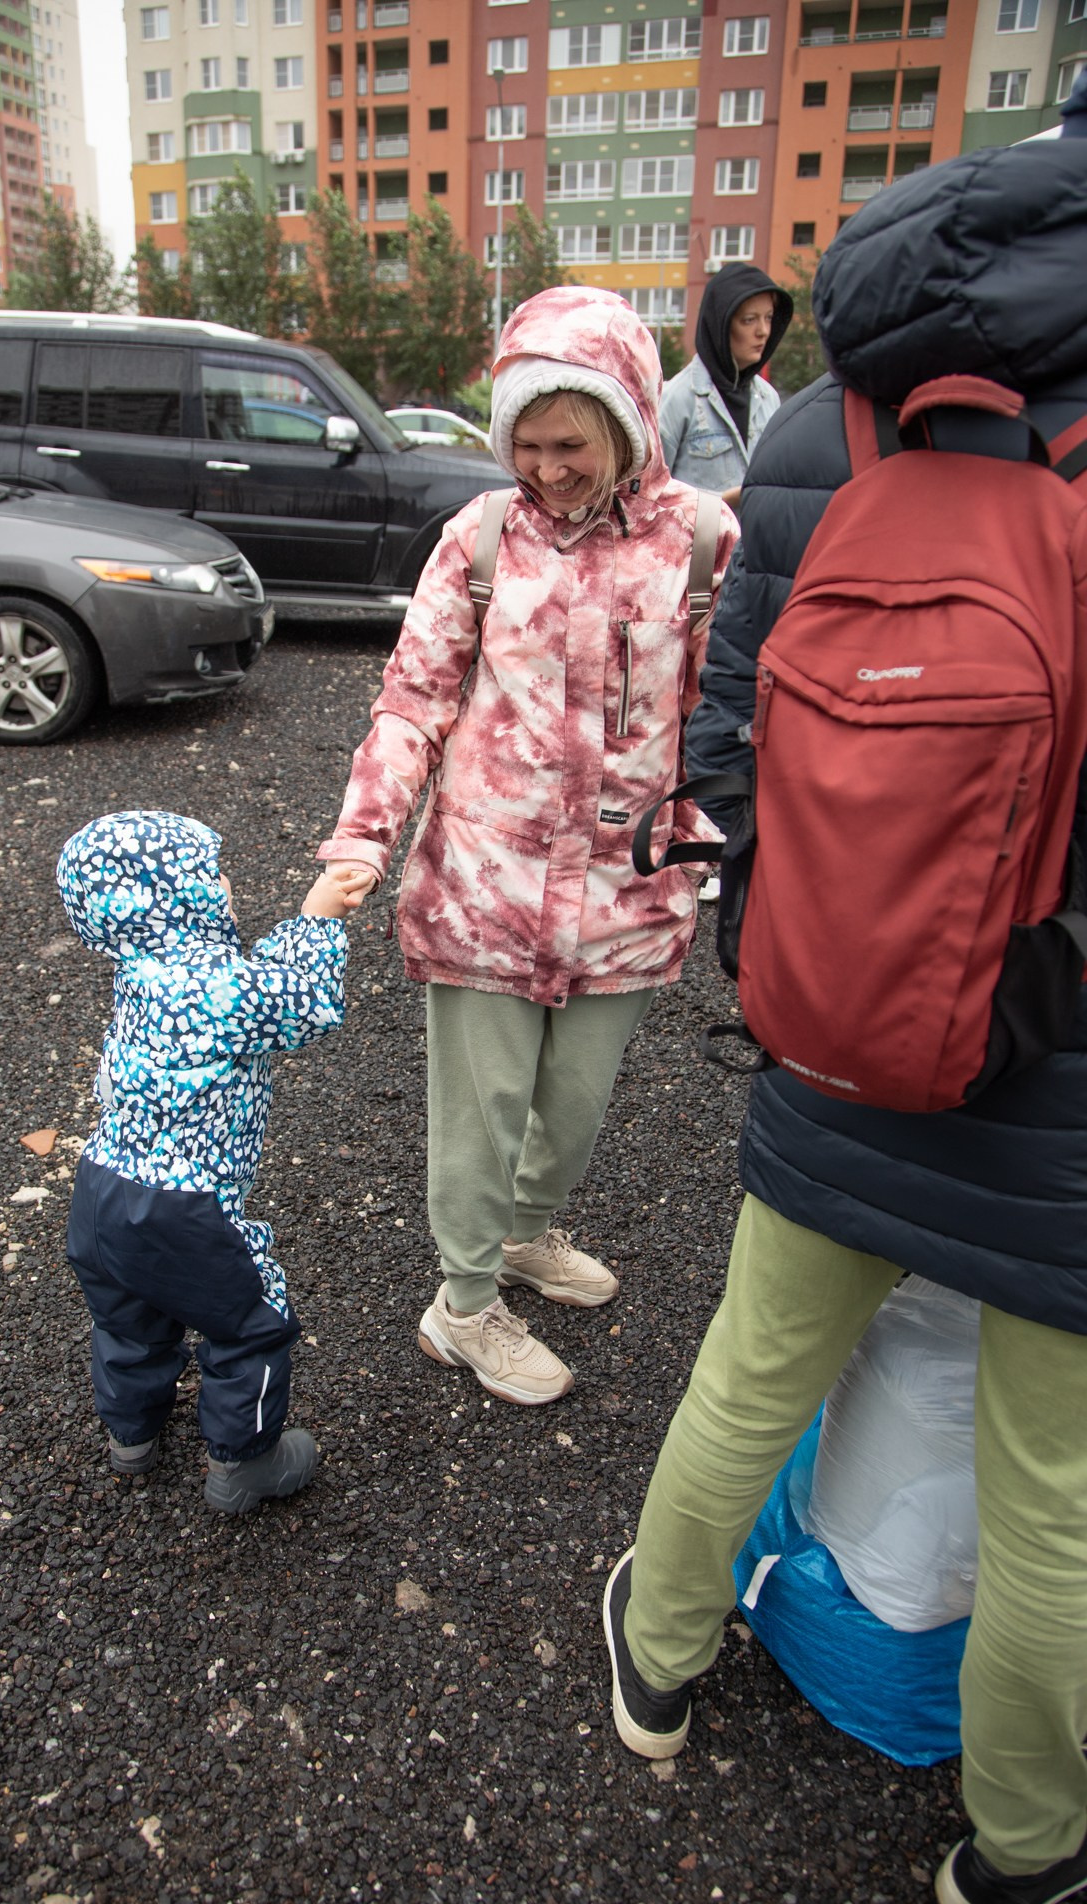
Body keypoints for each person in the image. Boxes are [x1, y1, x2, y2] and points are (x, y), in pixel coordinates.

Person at [602, 134, 1087, 1904]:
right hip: (1064, 1086)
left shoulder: (823, 426)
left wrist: (785, 944)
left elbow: (720, 730)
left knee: (749, 1372)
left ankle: (658, 1667)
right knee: (1052, 1494)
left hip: (829, 1024)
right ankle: (1021, 1850)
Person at [318, 286, 739, 1407]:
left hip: (623, 889)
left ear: (630, 423)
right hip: (481, 886)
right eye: (526, 444)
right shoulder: (480, 536)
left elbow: (727, 719)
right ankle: (461, 1306)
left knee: (574, 1105)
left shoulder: (701, 539)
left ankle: (524, 1234)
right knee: (483, 1108)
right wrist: (363, 835)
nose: (546, 468)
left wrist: (717, 848)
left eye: (570, 443)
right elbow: (413, 698)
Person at [56, 811, 368, 1515]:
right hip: (185, 1208)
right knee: (251, 1323)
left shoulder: (138, 971)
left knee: (129, 1321)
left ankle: (131, 1438)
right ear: (180, 900)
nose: (225, 881)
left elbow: (228, 984)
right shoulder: (217, 987)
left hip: (100, 1191)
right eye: (209, 875)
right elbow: (306, 1002)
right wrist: (315, 918)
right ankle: (246, 1461)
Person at [659, 264, 793, 508]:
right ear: (721, 324)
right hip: (699, 545)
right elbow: (650, 498)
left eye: (769, 318)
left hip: (755, 544)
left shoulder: (769, 399)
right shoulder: (676, 399)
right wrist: (721, 504)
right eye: (749, 320)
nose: (763, 331)